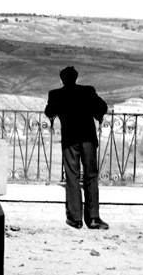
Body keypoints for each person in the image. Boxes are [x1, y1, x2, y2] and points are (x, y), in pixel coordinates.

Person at [45, 66, 109, 230]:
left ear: (62, 79)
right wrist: (97, 116)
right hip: (88, 139)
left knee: (72, 177)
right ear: (76, 77)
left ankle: (75, 219)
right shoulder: (88, 91)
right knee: (91, 176)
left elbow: (49, 112)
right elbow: (102, 108)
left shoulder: (56, 94)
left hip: (70, 141)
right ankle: (93, 218)